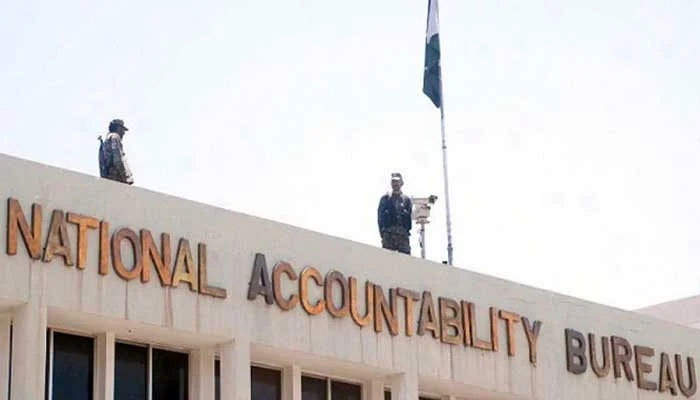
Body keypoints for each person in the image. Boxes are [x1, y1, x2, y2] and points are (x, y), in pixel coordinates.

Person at [377, 173, 412, 255]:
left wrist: (406, 232)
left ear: (401, 183)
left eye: (397, 181)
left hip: (402, 235)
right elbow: (380, 218)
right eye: (393, 181)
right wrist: (383, 234)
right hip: (389, 234)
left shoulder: (406, 200)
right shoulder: (385, 199)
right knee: (387, 260)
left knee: (406, 261)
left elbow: (409, 218)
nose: (395, 184)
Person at [99, 119, 134, 185]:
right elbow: (117, 159)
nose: (123, 133)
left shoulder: (107, 139)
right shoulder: (115, 137)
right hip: (116, 177)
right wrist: (125, 178)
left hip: (109, 176)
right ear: (118, 128)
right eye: (123, 130)